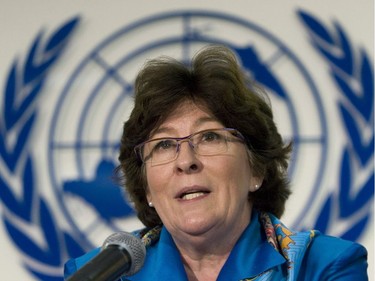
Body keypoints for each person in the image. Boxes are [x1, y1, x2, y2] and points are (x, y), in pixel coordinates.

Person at [64, 45, 368, 280]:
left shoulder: (324, 266)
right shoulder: (98, 273)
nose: (186, 161)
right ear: (146, 189)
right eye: (165, 144)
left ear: (257, 169)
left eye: (209, 137)